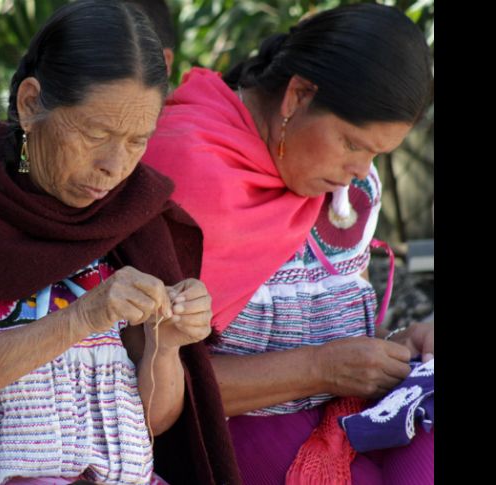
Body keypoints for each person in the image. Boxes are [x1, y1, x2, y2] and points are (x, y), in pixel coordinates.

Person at [0, 1, 240, 484]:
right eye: (95, 134)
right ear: (31, 103)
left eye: (138, 141)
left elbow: (153, 420)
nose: (115, 166)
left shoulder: (130, 215)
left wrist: (166, 343)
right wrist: (83, 318)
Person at [142, 3, 434, 484]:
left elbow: (332, 332)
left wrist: (398, 351)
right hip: (233, 435)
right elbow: (147, 385)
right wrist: (319, 370)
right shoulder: (184, 176)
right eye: (353, 143)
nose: (361, 170)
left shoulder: (348, 189)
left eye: (377, 154)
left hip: (345, 416)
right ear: (297, 95)